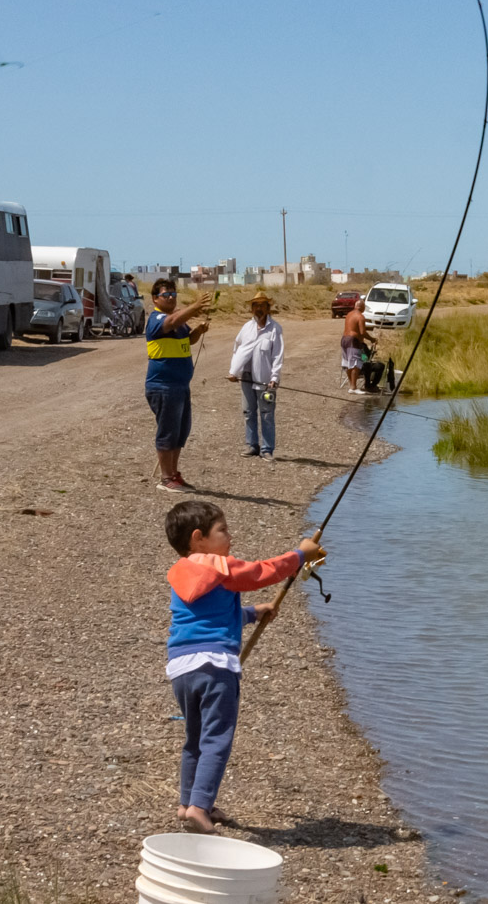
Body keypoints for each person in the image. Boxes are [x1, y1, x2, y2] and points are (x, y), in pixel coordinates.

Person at [163, 499, 326, 834]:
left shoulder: (183, 572)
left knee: (195, 738)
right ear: (199, 538)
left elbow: (210, 615)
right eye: (222, 530)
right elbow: (260, 572)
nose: (230, 536)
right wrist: (300, 555)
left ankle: (187, 803)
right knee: (216, 739)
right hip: (215, 667)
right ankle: (199, 807)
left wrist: (252, 613)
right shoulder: (219, 566)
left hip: (182, 667)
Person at [146, 278, 211, 492]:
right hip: (163, 385)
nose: (171, 298)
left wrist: (199, 331)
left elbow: (188, 339)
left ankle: (174, 474)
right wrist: (195, 307)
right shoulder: (156, 319)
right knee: (168, 431)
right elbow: (170, 324)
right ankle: (166, 479)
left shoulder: (179, 320)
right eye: (166, 295)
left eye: (174, 295)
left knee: (180, 432)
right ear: (156, 298)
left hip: (180, 385)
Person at [226, 291, 284, 461]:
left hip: (265, 379)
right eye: (255, 305)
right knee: (248, 411)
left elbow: (278, 356)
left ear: (268, 308)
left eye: (262, 305)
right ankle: (251, 445)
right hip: (246, 376)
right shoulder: (246, 328)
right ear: (252, 308)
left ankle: (267, 449)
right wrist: (233, 371)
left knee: (267, 413)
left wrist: (274, 378)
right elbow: (237, 350)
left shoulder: (275, 329)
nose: (258, 309)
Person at [341, 297, 372, 393]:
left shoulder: (349, 314)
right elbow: (362, 332)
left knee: (347, 363)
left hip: (344, 340)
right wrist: (372, 339)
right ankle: (353, 387)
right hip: (353, 341)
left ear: (355, 306)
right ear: (362, 308)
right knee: (355, 364)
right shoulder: (360, 317)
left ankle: (351, 385)